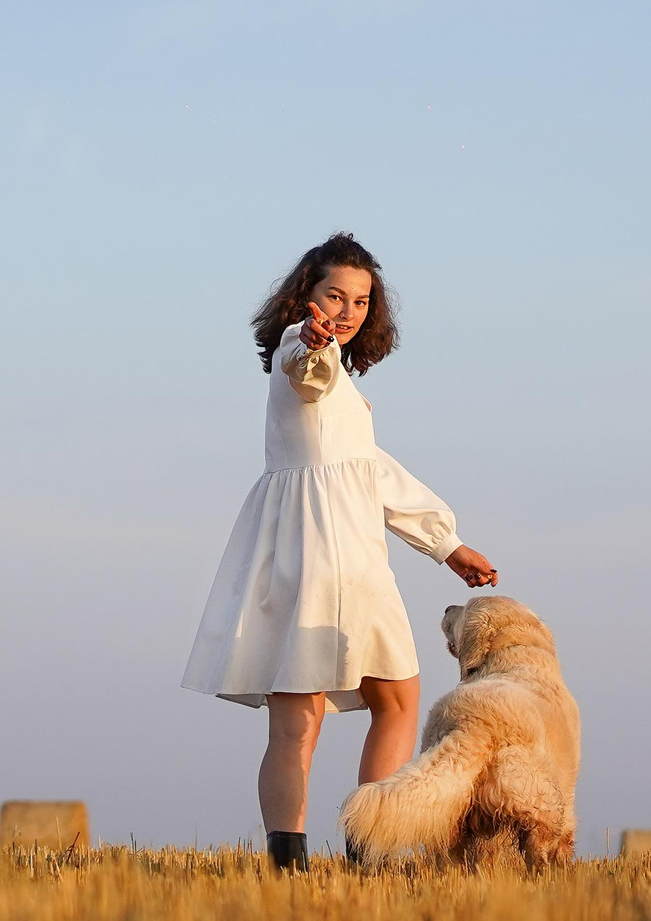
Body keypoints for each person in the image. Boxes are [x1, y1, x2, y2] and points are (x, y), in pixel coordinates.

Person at [181, 233, 497, 870]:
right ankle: (365, 853)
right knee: (359, 707)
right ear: (307, 296)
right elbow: (306, 370)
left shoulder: (346, 389)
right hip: (327, 554)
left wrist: (446, 543)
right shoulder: (302, 353)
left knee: (356, 707)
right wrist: (312, 343)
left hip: (328, 549)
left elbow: (372, 470)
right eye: (335, 296)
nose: (348, 311)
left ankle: (307, 862)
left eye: (360, 301)